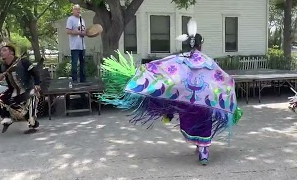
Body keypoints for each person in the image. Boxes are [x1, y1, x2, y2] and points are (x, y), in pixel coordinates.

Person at [99, 18, 242, 166]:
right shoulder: (208, 62)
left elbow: (161, 71)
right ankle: (203, 150)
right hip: (204, 101)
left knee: (191, 123)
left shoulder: (177, 60)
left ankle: (200, 147)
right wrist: (228, 88)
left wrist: (141, 72)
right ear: (200, 45)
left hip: (186, 101)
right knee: (204, 124)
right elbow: (221, 78)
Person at [0, 45, 42, 133]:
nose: (2, 52)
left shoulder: (23, 62)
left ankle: (32, 124)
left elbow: (35, 73)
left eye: (4, 50)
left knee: (31, 102)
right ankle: (7, 119)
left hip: (28, 89)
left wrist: (37, 84)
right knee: (1, 99)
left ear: (11, 52)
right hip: (14, 90)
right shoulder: (2, 66)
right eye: (1, 51)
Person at [66, 4, 88, 84]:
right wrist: (79, 32)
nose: (78, 11)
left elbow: (83, 31)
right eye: (76, 9)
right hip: (74, 46)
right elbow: (68, 31)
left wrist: (84, 33)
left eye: (79, 9)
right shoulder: (70, 19)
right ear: (73, 10)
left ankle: (83, 79)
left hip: (82, 45)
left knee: (83, 63)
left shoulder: (82, 20)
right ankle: (74, 79)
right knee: (75, 63)